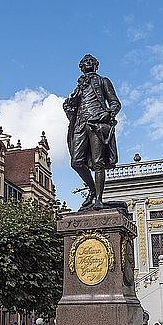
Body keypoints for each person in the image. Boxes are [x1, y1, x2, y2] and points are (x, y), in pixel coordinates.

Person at [63, 54, 121, 211]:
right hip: (80, 125)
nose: (87, 63)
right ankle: (93, 189)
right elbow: (73, 107)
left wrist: (107, 114)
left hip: (96, 123)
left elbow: (115, 103)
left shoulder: (103, 81)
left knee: (98, 162)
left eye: (91, 61)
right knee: (76, 162)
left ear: (96, 65)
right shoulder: (79, 87)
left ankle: (99, 200)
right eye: (84, 61)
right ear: (81, 67)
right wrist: (69, 104)